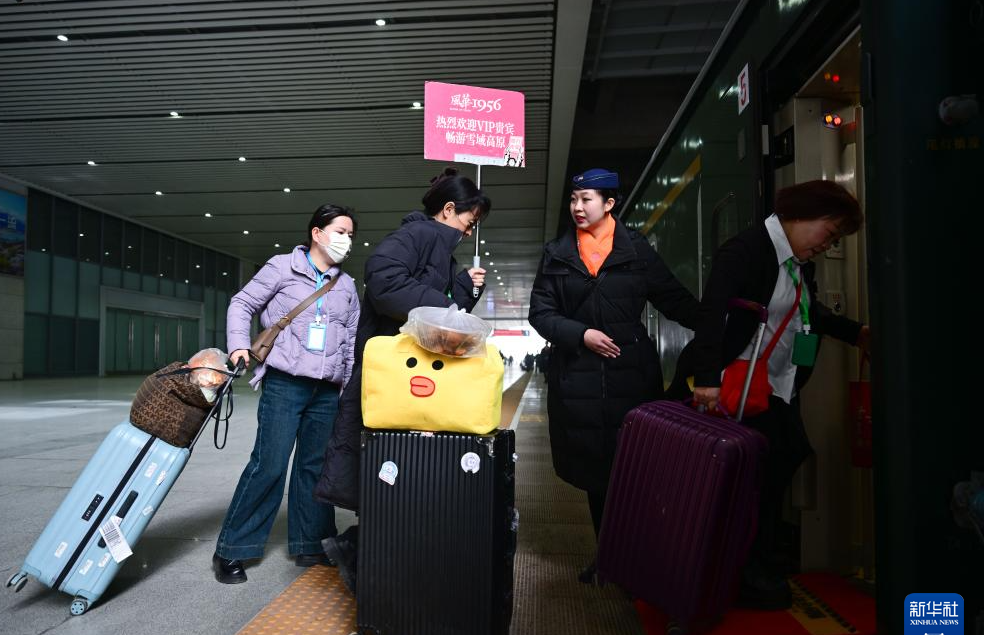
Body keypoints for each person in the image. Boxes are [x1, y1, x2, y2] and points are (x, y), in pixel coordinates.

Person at [671, 179, 871, 609]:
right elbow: (712, 313)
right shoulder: (746, 251)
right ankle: (747, 567)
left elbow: (808, 313)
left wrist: (856, 333)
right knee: (765, 466)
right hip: (734, 385)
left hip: (774, 386)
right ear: (802, 215)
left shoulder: (797, 263)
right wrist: (706, 379)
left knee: (779, 460)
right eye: (829, 233)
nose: (827, 245)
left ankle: (755, 557)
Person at [315, 167, 489, 592]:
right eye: (469, 222)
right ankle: (365, 558)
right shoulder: (418, 234)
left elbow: (441, 320)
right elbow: (385, 280)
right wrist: (445, 300)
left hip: (410, 380)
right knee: (388, 467)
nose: (469, 232)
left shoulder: (440, 250)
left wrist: (464, 289)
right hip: (394, 378)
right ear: (449, 209)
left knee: (398, 471)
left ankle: (368, 556)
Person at [528, 168, 700, 582]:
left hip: (632, 378)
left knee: (636, 472)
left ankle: (639, 557)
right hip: (578, 381)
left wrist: (719, 328)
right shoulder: (557, 254)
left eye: (586, 199)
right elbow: (541, 313)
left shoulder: (636, 250)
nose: (577, 207)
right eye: (573, 199)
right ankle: (608, 558)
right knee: (596, 475)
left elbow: (674, 299)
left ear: (609, 203)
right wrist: (581, 334)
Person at [212, 204, 361, 584]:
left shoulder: (346, 285)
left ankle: (311, 543)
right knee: (270, 464)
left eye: (350, 235)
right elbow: (242, 303)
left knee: (315, 468)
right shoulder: (283, 267)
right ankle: (233, 549)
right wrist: (238, 345)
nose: (346, 240)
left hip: (327, 391)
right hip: (285, 383)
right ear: (317, 233)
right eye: (340, 231)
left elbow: (350, 341)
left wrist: (346, 386)